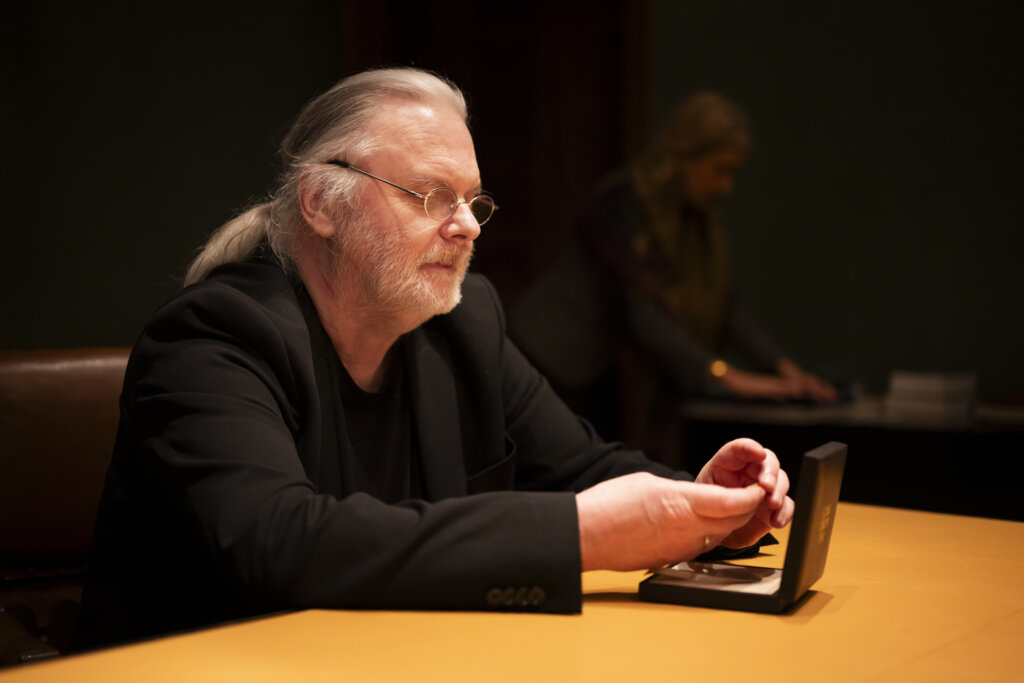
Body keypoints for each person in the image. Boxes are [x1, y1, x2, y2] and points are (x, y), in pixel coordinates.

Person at [74, 69, 793, 649]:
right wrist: (583, 534)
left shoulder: (461, 323)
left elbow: (582, 466)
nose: (464, 227)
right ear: (322, 202)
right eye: (430, 196)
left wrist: (704, 503)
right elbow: (281, 544)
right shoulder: (214, 338)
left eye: (474, 202)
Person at [509, 91, 836, 460]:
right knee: (560, 469)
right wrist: (729, 377)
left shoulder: (694, 217)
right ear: (685, 158)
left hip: (597, 365)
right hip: (550, 354)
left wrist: (786, 371)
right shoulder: (619, 205)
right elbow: (644, 313)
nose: (727, 186)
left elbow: (726, 305)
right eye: (720, 170)